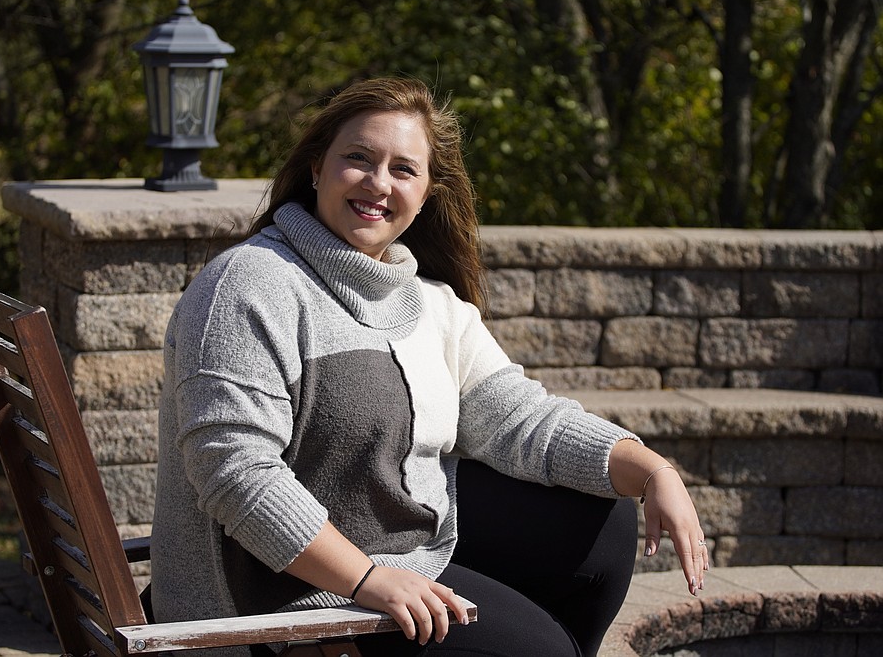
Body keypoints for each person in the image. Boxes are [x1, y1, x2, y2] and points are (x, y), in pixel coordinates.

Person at [150, 77, 708, 657]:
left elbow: (519, 418)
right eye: (358, 159)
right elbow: (237, 474)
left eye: (403, 169)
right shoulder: (249, 285)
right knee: (541, 652)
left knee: (604, 528)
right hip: (275, 600)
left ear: (426, 192)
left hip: (395, 554)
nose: (377, 183)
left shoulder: (432, 305)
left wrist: (652, 470)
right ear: (317, 168)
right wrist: (366, 579)